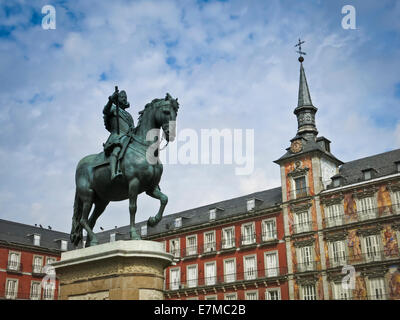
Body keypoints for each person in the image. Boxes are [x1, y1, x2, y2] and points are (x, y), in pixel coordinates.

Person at [103, 89, 134, 180]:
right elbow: (105, 111)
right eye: (122, 97)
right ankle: (113, 173)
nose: (124, 99)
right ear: (117, 98)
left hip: (128, 138)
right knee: (117, 150)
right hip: (118, 136)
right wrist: (110, 100)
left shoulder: (128, 115)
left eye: (125, 97)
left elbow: (132, 127)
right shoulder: (113, 108)